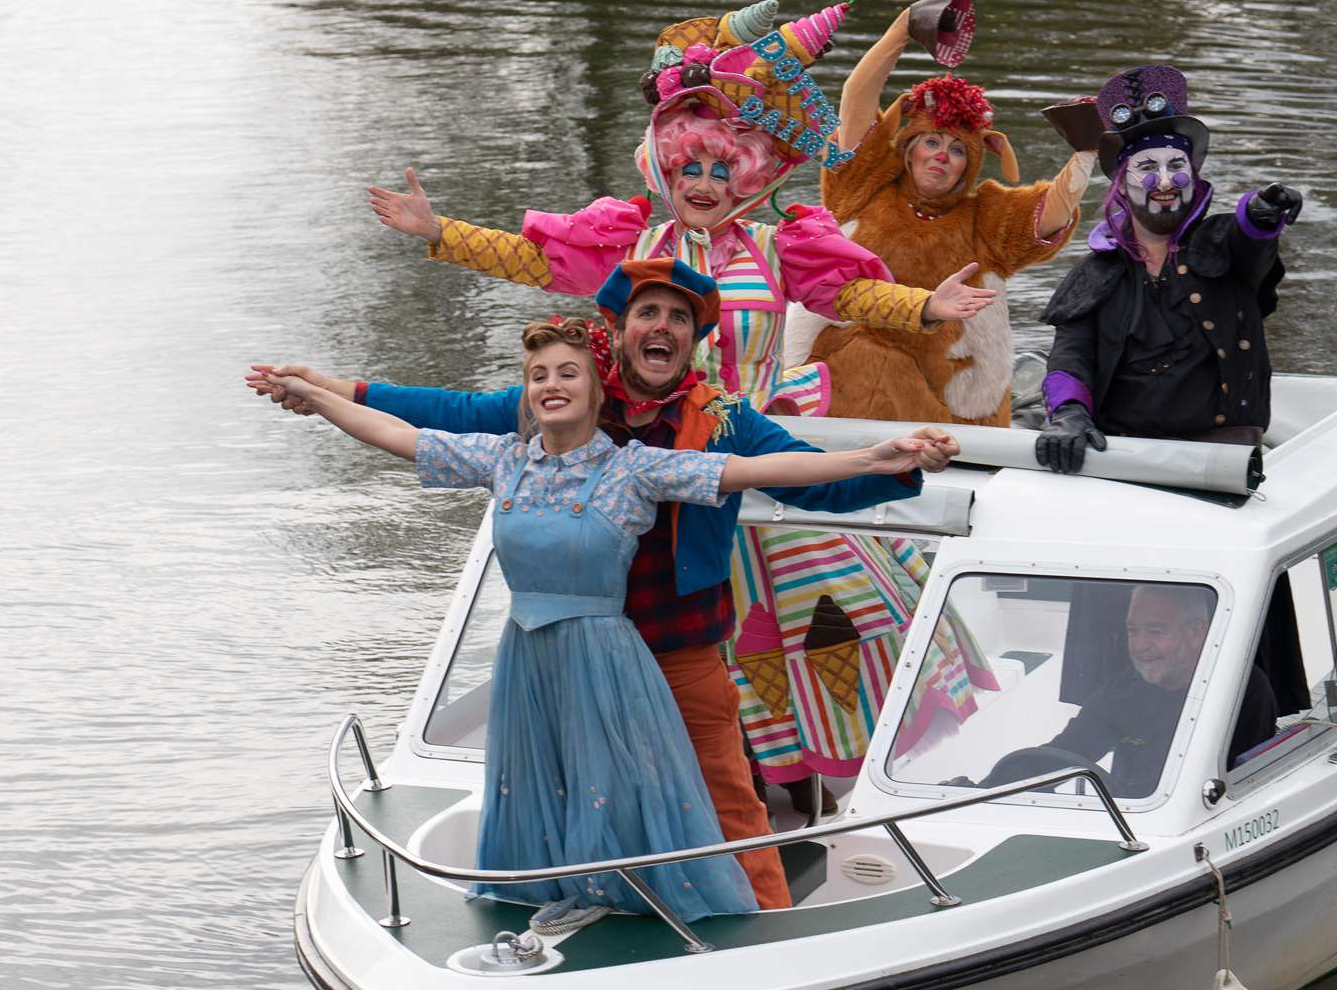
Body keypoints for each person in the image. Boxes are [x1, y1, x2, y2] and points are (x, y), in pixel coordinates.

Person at [364, 0, 991, 801]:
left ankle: (818, 786)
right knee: (680, 634)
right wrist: (439, 231)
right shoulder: (630, 244)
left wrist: (925, 308)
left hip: (749, 449)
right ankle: (692, 785)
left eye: (720, 170)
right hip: (650, 461)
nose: (702, 184)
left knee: (826, 616)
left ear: (750, 173)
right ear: (664, 169)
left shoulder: (778, 244)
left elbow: (855, 296)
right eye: (689, 168)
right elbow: (534, 263)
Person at [251, 259, 957, 910]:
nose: (664, 327)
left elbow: (803, 478)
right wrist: (330, 391)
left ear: (694, 340)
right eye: (648, 312)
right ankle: (619, 925)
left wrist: (891, 462)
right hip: (561, 656)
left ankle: (770, 931)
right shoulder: (564, 399)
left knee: (726, 801)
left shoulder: (721, 423)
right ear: (617, 333)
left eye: (681, 318)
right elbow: (445, 416)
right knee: (583, 797)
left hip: (679, 651)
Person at [787, 0, 1091, 427]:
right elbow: (855, 98)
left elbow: (1052, 214)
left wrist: (1086, 151)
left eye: (956, 150)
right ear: (908, 150)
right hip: (848, 391)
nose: (941, 156)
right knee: (874, 358)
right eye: (931, 142)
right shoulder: (862, 187)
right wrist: (901, 29)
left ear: (971, 163)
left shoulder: (985, 217)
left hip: (953, 406)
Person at [1034, 64, 1305, 474]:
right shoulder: (1094, 274)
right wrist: (1069, 415)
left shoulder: (1225, 247)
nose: (1165, 181)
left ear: (1193, 179)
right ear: (1123, 185)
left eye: (1176, 165)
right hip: (1122, 458)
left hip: (1225, 460)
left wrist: (1264, 210)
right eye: (1147, 168)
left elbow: (1251, 236)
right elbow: (1069, 357)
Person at [967, 585, 1277, 798]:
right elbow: (1066, 752)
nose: (1140, 645)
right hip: (1131, 820)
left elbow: (1243, 783)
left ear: (1195, 631)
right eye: (1132, 630)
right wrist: (985, 791)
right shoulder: (1124, 691)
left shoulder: (1243, 689)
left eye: (1155, 631)